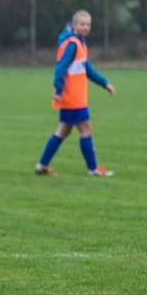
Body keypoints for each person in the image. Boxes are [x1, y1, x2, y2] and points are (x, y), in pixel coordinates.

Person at [35, 10, 116, 176]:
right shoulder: (73, 43)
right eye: (82, 24)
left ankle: (42, 165)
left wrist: (104, 83)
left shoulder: (80, 43)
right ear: (74, 25)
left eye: (88, 24)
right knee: (86, 130)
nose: (86, 27)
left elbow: (87, 69)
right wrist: (58, 89)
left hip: (71, 97)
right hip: (73, 98)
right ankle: (93, 169)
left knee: (63, 131)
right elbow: (60, 66)